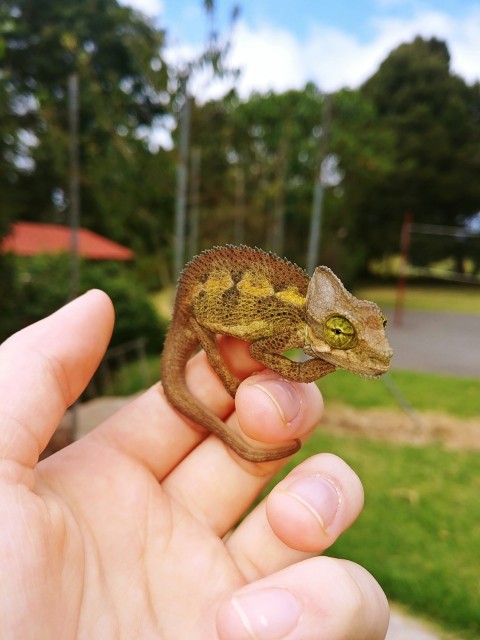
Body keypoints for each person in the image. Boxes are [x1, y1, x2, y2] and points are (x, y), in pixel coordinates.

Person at [0, 289, 389, 639]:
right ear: (321, 325)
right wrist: (308, 369)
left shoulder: (296, 318)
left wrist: (322, 363)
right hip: (198, 316)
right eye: (341, 335)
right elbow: (260, 353)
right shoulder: (291, 321)